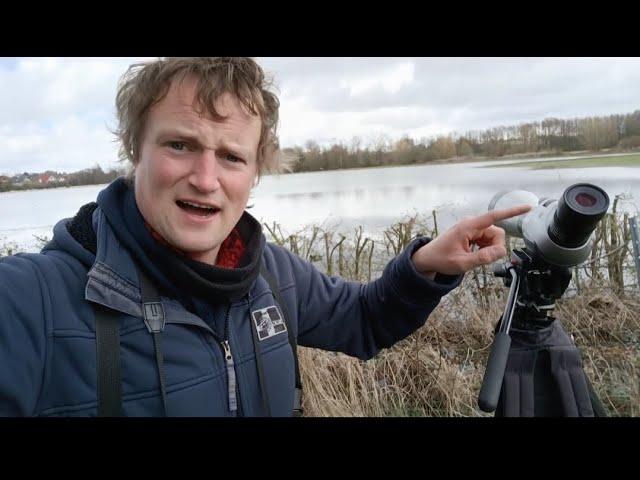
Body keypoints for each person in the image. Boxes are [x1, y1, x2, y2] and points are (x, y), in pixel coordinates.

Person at [0, 57, 530, 416]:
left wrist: (424, 268)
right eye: (181, 145)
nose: (206, 179)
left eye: (231, 156)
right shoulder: (34, 301)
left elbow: (366, 322)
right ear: (135, 152)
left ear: (255, 173)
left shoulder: (271, 275)